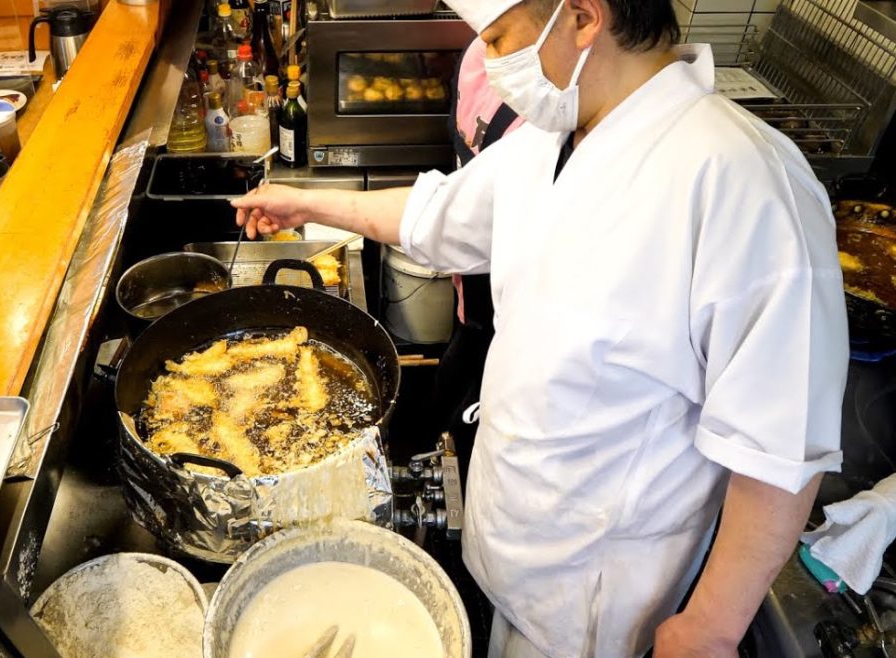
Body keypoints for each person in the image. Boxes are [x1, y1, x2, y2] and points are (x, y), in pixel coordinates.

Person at [233, 1, 849, 656]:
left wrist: (710, 626)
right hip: (512, 533)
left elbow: (778, 447)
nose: (492, 66)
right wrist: (304, 202)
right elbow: (438, 214)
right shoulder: (554, 136)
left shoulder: (745, 184)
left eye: (499, 40)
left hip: (596, 596)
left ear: (583, 18)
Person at [433, 37, 520, 464]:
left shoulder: (555, 106)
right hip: (469, 285)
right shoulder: (478, 56)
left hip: (514, 311)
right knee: (448, 396)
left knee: (472, 431)